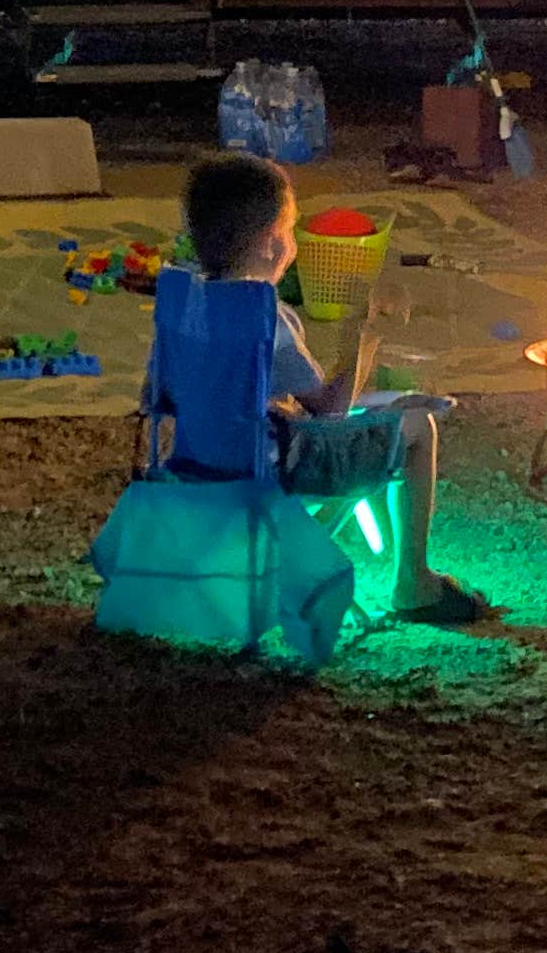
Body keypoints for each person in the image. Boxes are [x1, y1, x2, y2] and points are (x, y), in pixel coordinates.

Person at [183, 152, 494, 625]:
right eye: (290, 231)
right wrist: (361, 334)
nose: (292, 245)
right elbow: (330, 412)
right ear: (268, 245)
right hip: (277, 473)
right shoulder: (267, 317)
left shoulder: (185, 304)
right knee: (417, 425)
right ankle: (413, 584)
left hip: (200, 469)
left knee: (384, 408)